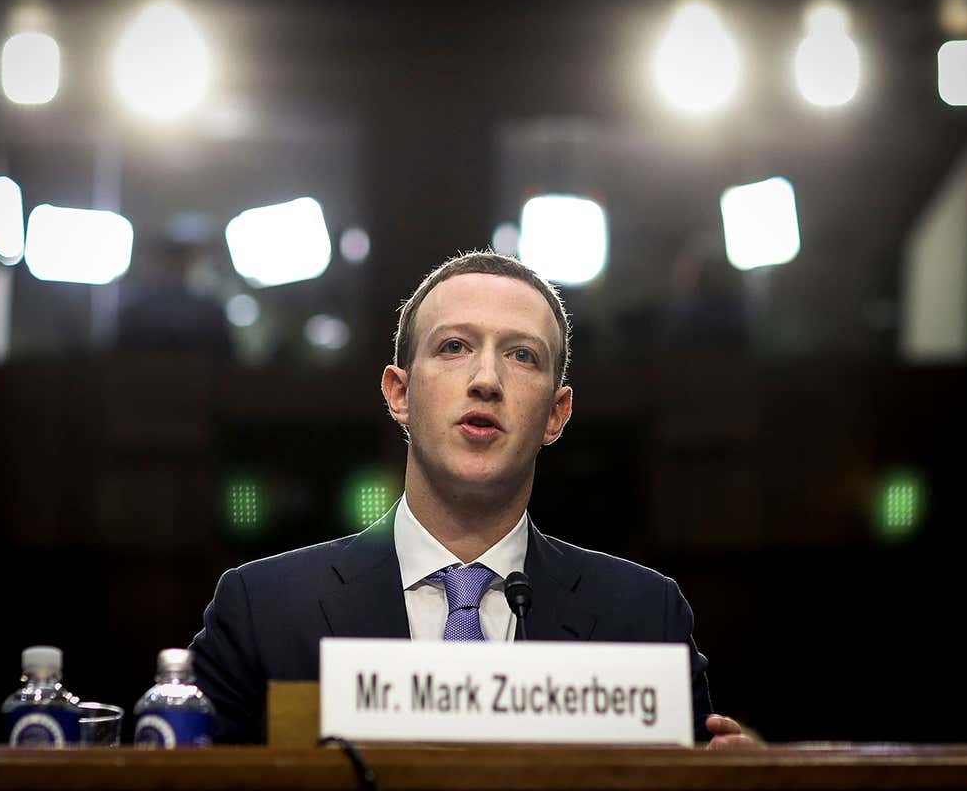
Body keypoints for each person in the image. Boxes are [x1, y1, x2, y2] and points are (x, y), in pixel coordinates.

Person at [190, 250, 755, 748]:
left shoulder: (643, 616)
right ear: (400, 393)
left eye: (522, 356)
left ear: (556, 415)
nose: (486, 379)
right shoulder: (262, 609)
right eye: (455, 347)